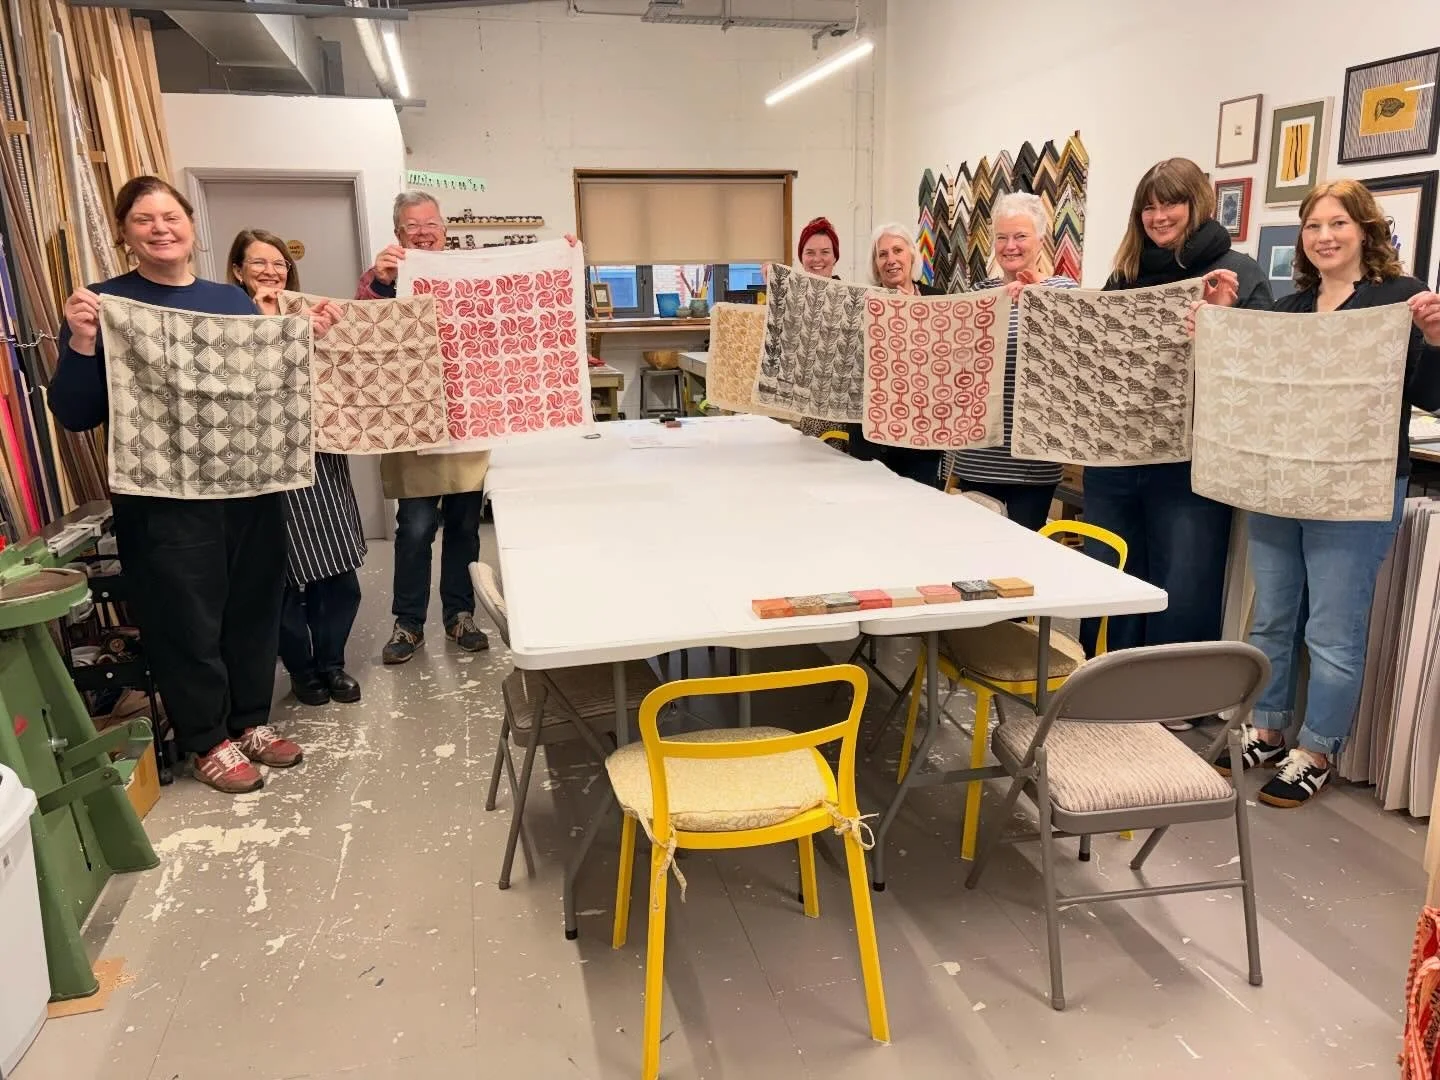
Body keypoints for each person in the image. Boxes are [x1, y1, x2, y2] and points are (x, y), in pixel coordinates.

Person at [49, 177, 335, 795]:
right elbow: (74, 413)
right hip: (164, 498)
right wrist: (80, 341)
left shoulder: (230, 303)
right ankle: (207, 738)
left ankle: (251, 722)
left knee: (253, 606)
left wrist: (306, 336)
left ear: (191, 227)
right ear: (125, 234)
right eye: (144, 220)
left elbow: (271, 389)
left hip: (249, 488)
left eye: (170, 216)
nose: (160, 228)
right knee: (186, 618)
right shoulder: (106, 304)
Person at [1213, 180, 1440, 807]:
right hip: (1281, 484)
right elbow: (1252, 383)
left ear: (1366, 230)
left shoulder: (1400, 299)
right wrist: (1223, 323)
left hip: (1356, 488)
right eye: (1313, 226)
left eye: (1338, 223)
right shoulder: (1291, 309)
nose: (1324, 237)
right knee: (1274, 616)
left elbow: (1430, 395)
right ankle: (1266, 726)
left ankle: (1315, 749)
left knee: (1334, 630)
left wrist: (1439, 341)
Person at [1079, 159, 1271, 708]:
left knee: (1184, 578)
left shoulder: (1236, 271)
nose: (1159, 216)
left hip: (1189, 461)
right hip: (1116, 456)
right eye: (1150, 205)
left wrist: (1223, 322)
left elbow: (1260, 363)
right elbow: (1096, 353)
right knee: (1114, 571)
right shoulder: (1127, 273)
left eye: (1172, 203)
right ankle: (1110, 685)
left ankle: (1176, 701)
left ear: (1200, 204)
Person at [228, 228, 365, 708]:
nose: (271, 271)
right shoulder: (222, 320)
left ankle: (332, 663)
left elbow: (358, 362)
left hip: (320, 456)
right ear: (237, 271)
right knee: (281, 575)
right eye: (259, 263)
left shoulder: (312, 316)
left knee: (339, 571)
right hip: (262, 462)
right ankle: (302, 671)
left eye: (279, 263)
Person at [357, 191, 490, 664]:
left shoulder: (468, 274)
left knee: (463, 526)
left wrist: (562, 257)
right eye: (412, 226)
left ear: (445, 228)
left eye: (431, 223)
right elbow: (364, 334)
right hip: (410, 424)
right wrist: (381, 283)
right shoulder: (382, 279)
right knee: (414, 529)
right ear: (398, 233)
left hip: (464, 421)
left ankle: (460, 615)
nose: (423, 232)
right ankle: (408, 623)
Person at [947, 192, 1076, 530]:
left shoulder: (1064, 292)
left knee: (1020, 561)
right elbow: (955, 365)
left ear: (1040, 239)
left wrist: (1040, 300)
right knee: (973, 558)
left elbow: (1073, 361)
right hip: (978, 457)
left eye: (1020, 236)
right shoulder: (980, 294)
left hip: (1032, 463)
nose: (1010, 246)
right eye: (1002, 237)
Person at [846, 223, 945, 487]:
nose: (891, 260)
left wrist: (913, 314)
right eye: (882, 254)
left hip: (920, 437)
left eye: (897, 250)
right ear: (875, 263)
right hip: (871, 437)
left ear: (911, 255)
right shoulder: (863, 303)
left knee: (917, 513)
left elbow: (949, 361)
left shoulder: (939, 301)